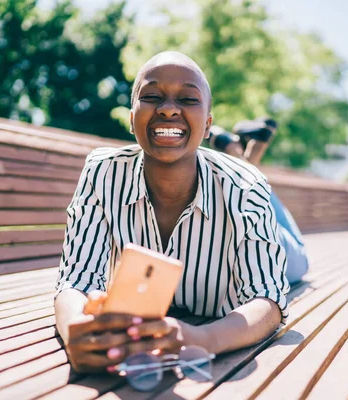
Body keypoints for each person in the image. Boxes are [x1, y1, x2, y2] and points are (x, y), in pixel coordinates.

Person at [55, 51, 292, 374]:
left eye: (188, 99)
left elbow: (268, 298)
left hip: (281, 249)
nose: (167, 108)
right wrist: (73, 330)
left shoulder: (247, 189)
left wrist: (203, 338)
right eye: (152, 96)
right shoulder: (102, 173)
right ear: (131, 117)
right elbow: (76, 280)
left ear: (206, 124)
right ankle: (236, 147)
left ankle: (240, 153)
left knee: (294, 255)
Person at [209, 120, 309, 284]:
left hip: (240, 247)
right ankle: (243, 159)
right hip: (271, 259)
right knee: (301, 257)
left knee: (252, 195)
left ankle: (244, 159)